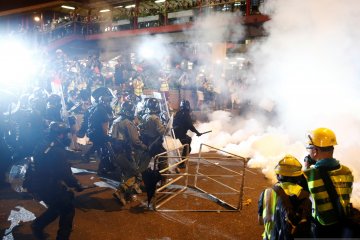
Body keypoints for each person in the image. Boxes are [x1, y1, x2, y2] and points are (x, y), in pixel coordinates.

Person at [28, 122, 84, 240]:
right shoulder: (57, 151)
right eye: (65, 134)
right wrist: (77, 184)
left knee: (58, 205)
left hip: (38, 183)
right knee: (67, 208)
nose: (67, 136)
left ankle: (37, 225)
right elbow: (65, 174)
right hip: (48, 185)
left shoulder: (43, 143)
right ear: (60, 135)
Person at [303, 127, 354, 238]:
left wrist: (306, 167)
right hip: (341, 222)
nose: (308, 151)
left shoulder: (310, 174)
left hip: (321, 226)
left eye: (309, 148)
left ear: (315, 151)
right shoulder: (347, 171)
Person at [258, 155, 312, 240]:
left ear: (278, 175)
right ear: (298, 176)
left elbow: (260, 221)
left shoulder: (267, 193)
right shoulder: (305, 195)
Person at [110, 101, 150, 205]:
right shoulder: (128, 123)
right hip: (125, 152)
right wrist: (145, 147)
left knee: (126, 173)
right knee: (134, 172)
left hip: (114, 152)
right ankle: (121, 192)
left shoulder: (116, 120)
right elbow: (135, 141)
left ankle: (128, 195)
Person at [86, 87, 115, 174]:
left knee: (99, 147)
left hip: (94, 132)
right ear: (104, 101)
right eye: (108, 100)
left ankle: (106, 165)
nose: (109, 102)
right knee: (105, 149)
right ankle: (102, 168)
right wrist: (106, 136)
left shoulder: (97, 107)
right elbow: (104, 124)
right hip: (98, 133)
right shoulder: (101, 109)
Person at [140, 98, 168, 170]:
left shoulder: (144, 116)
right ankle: (163, 176)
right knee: (163, 156)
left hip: (146, 142)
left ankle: (141, 176)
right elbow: (162, 132)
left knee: (144, 161)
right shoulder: (155, 118)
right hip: (155, 142)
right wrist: (165, 126)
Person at [172, 100, 202, 167]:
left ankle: (181, 159)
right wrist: (197, 132)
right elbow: (190, 126)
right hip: (180, 134)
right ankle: (182, 163)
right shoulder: (186, 114)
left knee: (188, 139)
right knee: (187, 145)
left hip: (175, 133)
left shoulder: (178, 113)